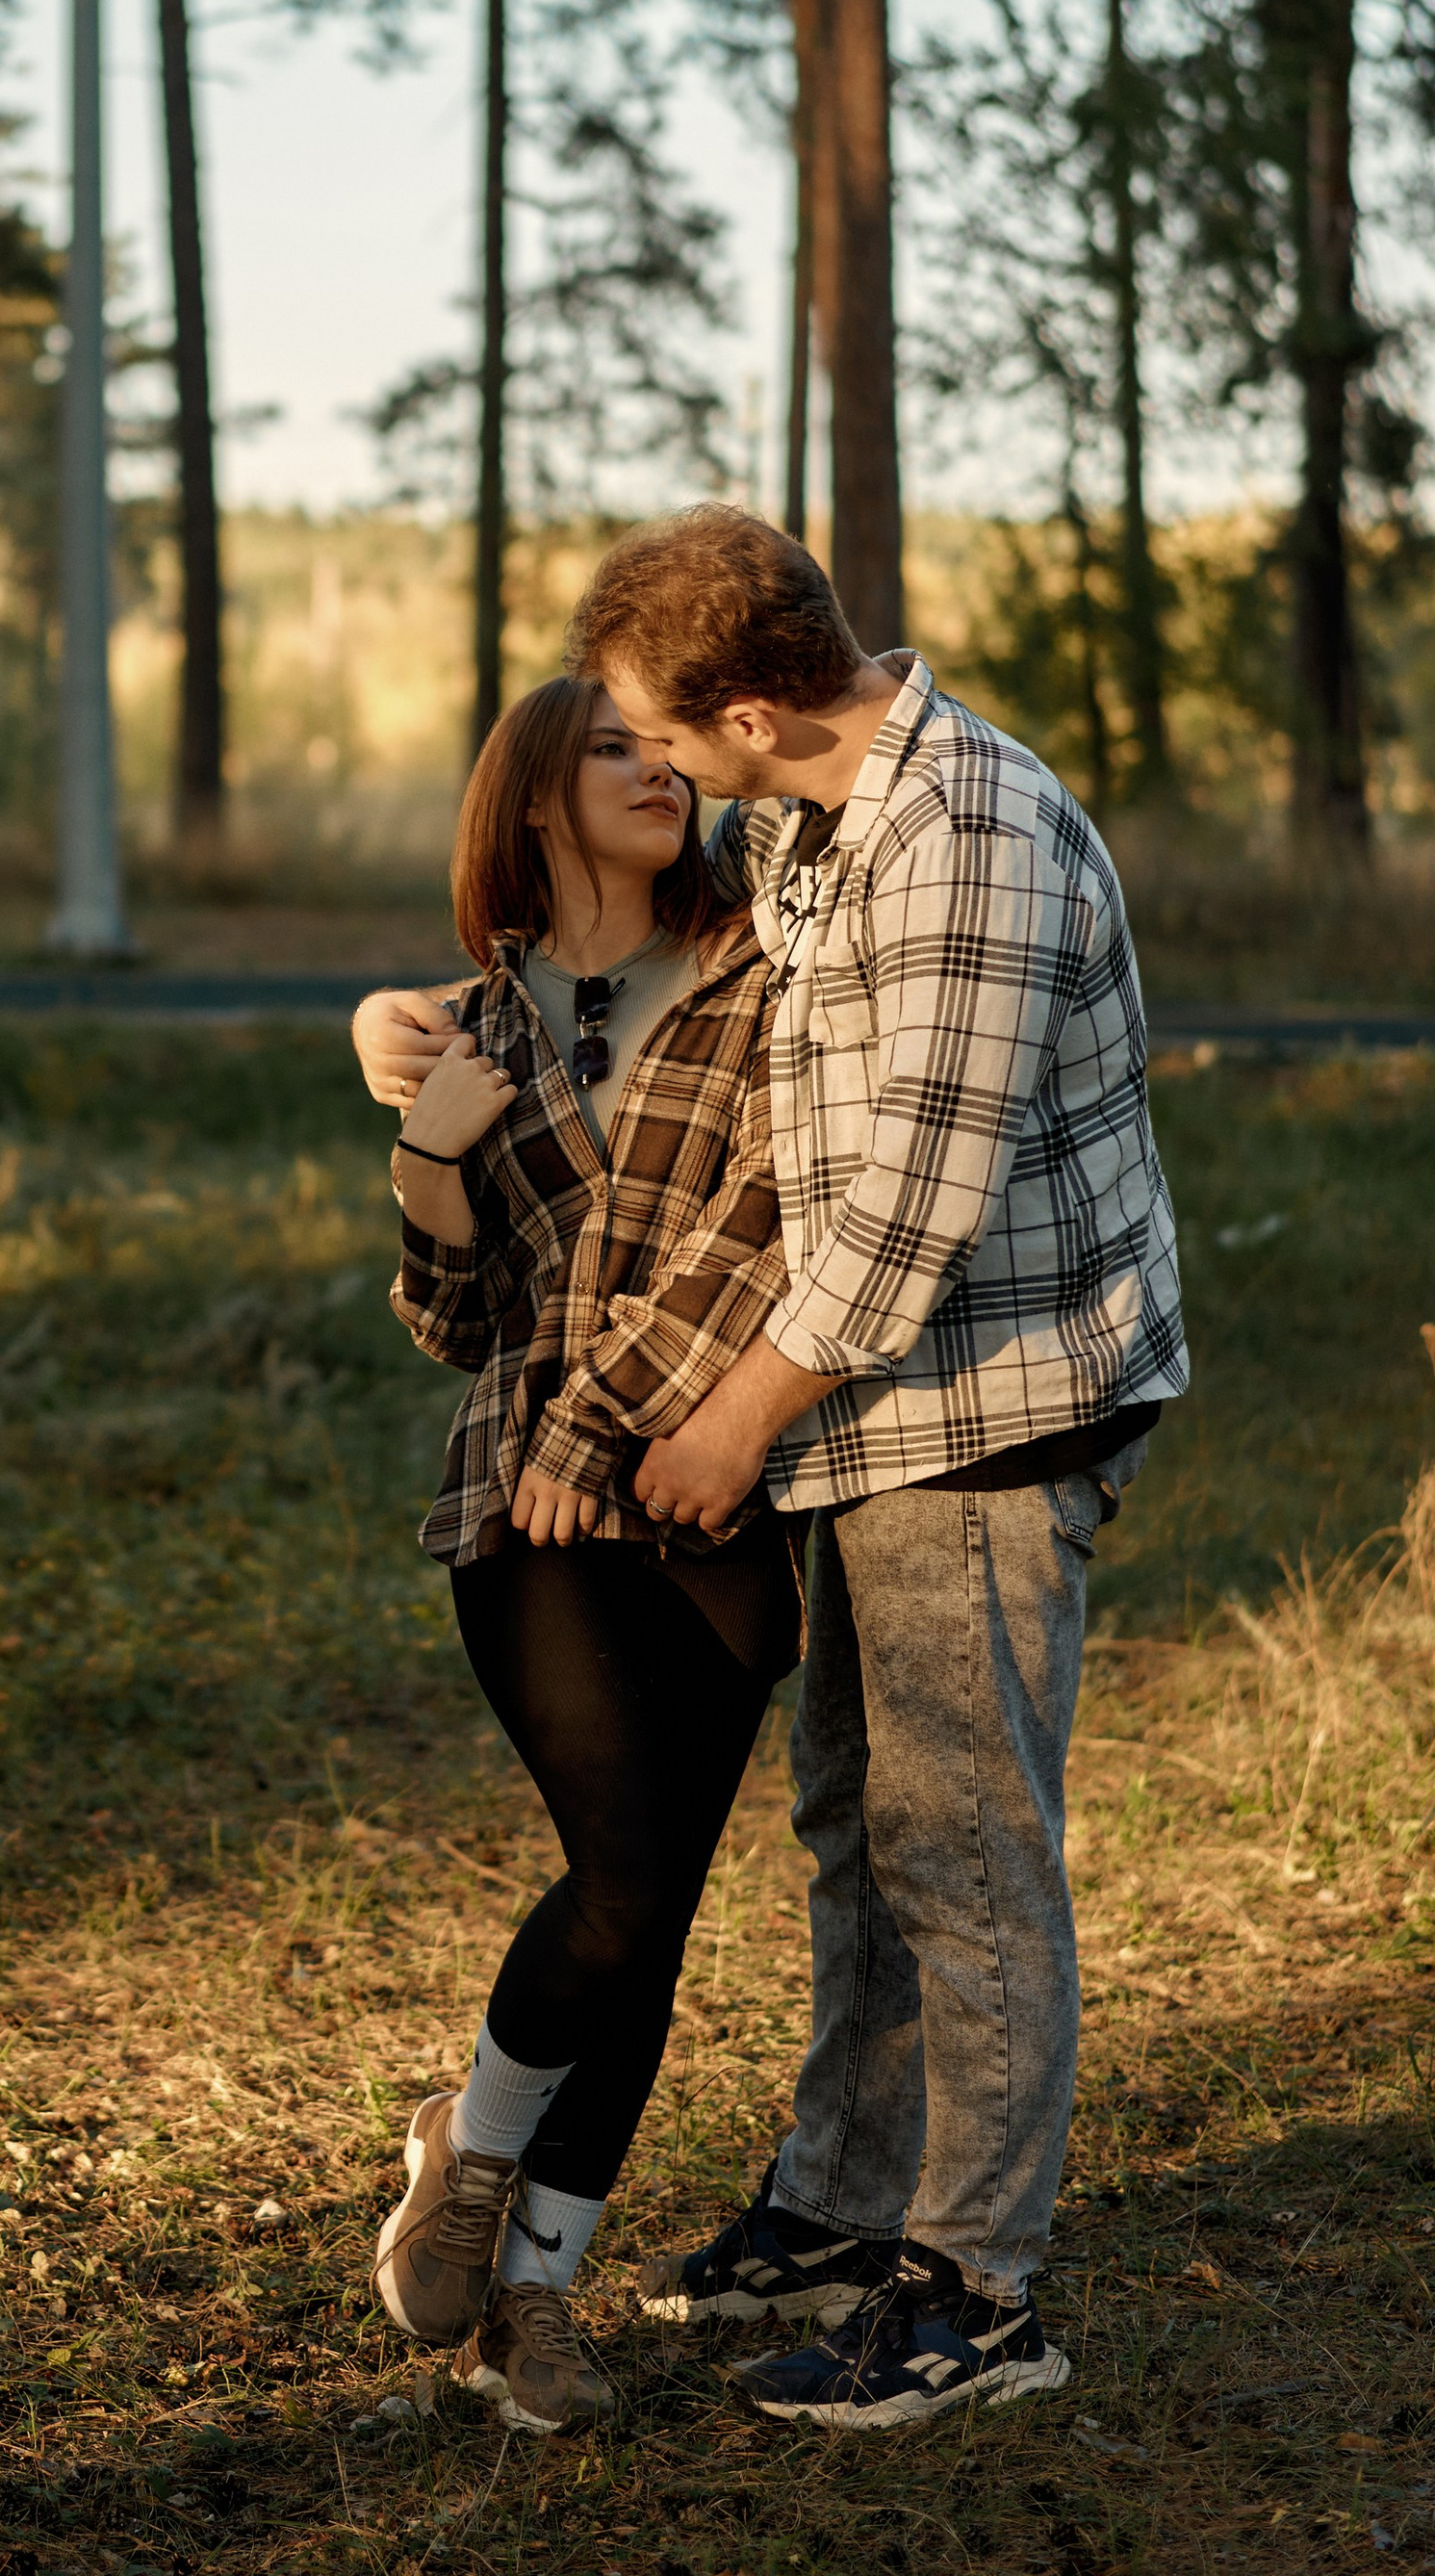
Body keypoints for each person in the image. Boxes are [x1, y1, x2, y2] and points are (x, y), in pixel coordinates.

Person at [355, 509, 1187, 2434]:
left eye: (659, 726)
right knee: (858, 1826)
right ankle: (837, 2202)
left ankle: (971, 2289)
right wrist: (396, 1053)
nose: (653, 760)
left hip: (978, 1400)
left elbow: (896, 1210)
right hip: (852, 1420)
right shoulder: (813, 818)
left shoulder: (962, 833)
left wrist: (713, 1423)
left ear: (741, 713)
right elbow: (557, 1000)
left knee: (960, 1852)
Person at [370, 671, 806, 2436]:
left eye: (664, 750)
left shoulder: (762, 975)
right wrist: (426, 1164)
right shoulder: (472, 1028)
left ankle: (534, 2290)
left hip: (711, 1495)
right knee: (620, 1878)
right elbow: (459, 1321)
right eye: (612, 750)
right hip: (527, 1509)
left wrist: (601, 1418)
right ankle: (470, 2154)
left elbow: (763, 1230)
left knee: (659, 1916)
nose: (657, 773)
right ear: (536, 796)